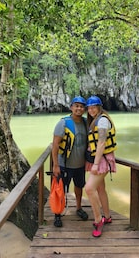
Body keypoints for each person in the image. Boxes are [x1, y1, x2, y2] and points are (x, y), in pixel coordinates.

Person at [52, 96, 88, 227]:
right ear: (71, 107)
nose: (79, 108)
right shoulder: (63, 123)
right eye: (76, 106)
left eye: (81, 106)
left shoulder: (85, 123)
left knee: (79, 186)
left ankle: (78, 208)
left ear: (84, 109)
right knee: (61, 190)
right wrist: (56, 165)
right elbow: (55, 145)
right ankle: (58, 214)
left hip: (80, 165)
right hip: (64, 164)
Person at [85, 95, 117, 237]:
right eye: (89, 108)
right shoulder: (96, 121)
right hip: (99, 158)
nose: (91, 110)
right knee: (100, 188)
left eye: (94, 107)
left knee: (89, 188)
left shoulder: (103, 121)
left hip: (102, 159)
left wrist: (96, 164)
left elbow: (102, 143)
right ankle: (108, 216)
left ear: (99, 107)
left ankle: (99, 219)